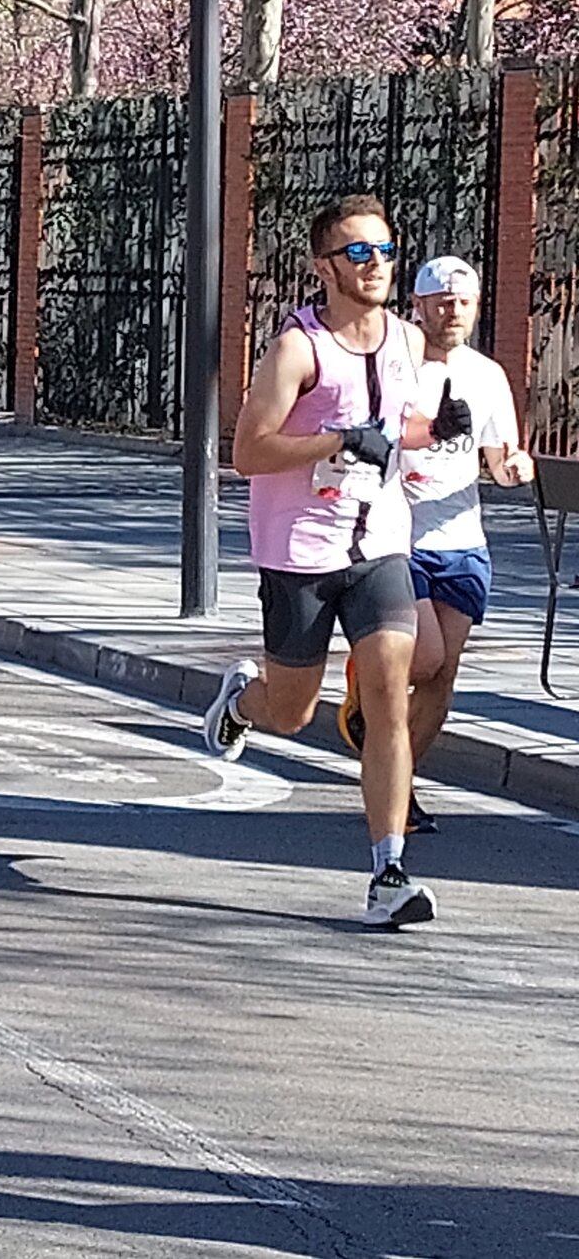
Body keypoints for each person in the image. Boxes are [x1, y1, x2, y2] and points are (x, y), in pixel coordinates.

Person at [201, 195, 463, 928]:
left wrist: (434, 427)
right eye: (358, 253)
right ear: (325, 268)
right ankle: (242, 703)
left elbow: (394, 426)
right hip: (300, 551)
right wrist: (337, 441)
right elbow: (250, 452)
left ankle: (389, 870)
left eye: (384, 251)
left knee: (386, 693)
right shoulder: (297, 348)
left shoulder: (408, 342)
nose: (376, 264)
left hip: (379, 542)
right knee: (292, 711)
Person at [337, 256, 534, 834]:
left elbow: (500, 459)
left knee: (444, 672)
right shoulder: (396, 368)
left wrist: (515, 467)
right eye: (441, 302)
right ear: (418, 307)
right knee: (421, 657)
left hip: (463, 541)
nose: (452, 313)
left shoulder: (488, 375)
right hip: (399, 536)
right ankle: (363, 690)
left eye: (463, 303)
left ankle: (404, 786)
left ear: (475, 310)